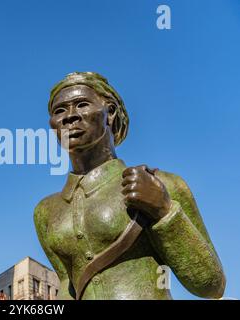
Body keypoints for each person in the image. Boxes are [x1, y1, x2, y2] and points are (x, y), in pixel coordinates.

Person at [34, 72, 226, 300]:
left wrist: (164, 211)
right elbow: (69, 285)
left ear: (110, 113)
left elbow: (211, 286)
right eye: (59, 111)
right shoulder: (46, 212)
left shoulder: (161, 184)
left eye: (82, 104)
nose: (70, 117)